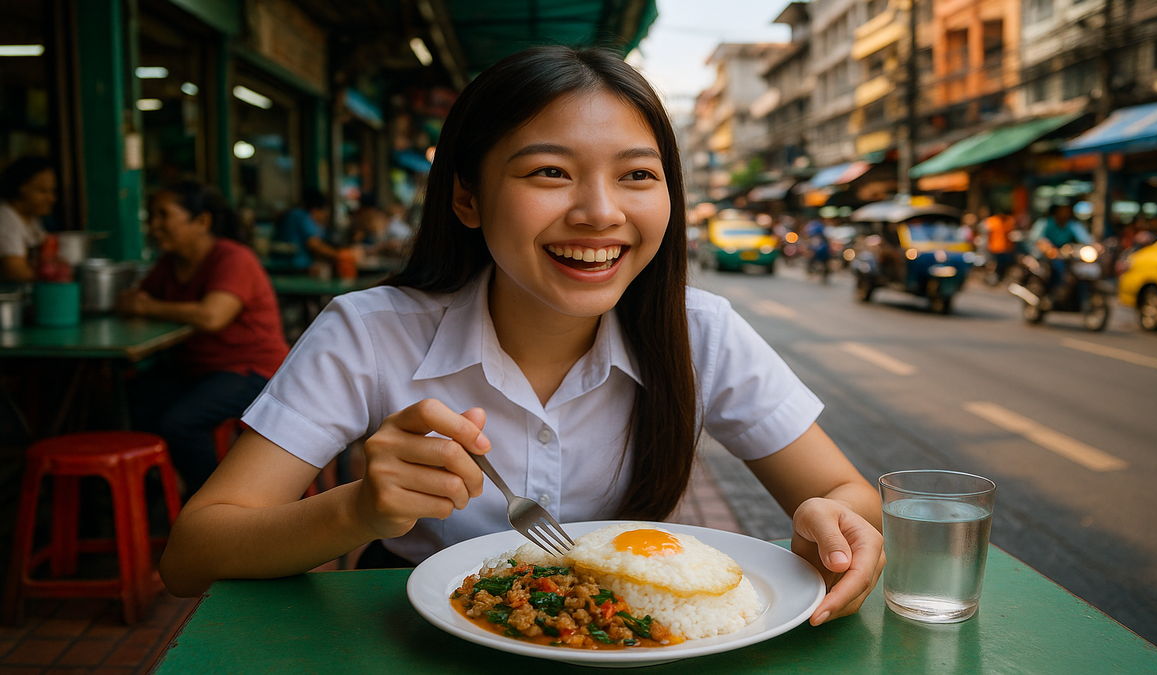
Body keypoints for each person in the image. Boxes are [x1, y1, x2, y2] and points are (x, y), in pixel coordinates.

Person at [159, 47, 884, 628]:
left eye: (636, 174)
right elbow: (192, 555)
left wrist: (834, 519)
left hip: (629, 639)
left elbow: (845, 493)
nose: (600, 212)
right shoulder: (369, 331)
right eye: (549, 172)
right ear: (468, 197)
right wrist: (357, 509)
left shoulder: (701, 331)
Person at [118, 181, 289, 495]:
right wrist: (142, 303)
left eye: (163, 216)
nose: (154, 226)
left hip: (254, 370)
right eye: (151, 216)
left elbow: (213, 316)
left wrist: (149, 307)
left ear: (202, 221)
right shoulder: (170, 264)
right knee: (130, 399)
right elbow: (137, 298)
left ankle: (213, 504)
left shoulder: (233, 258)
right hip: (200, 371)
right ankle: (158, 493)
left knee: (179, 423)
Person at [0, 156, 55, 282]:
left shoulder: (31, 218)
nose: (51, 199)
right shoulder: (5, 219)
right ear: (21, 188)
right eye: (42, 191)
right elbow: (16, 271)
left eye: (51, 191)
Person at [270, 188, 341, 273]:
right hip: (294, 269)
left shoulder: (292, 214)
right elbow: (314, 244)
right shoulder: (302, 217)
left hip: (280, 266)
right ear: (315, 210)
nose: (324, 218)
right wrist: (339, 255)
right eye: (324, 214)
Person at [1028, 203, 1091, 293]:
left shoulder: (1072, 225)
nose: (1065, 214)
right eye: (1062, 211)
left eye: (1067, 211)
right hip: (1045, 257)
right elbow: (1036, 239)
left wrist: (1095, 246)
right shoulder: (1045, 223)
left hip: (1067, 255)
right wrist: (1047, 247)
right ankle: (1052, 291)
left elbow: (1085, 239)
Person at [983, 208, 1017, 283]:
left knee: (1003, 264)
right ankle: (992, 278)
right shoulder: (992, 221)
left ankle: (1000, 278)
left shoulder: (1009, 220)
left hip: (1006, 248)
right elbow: (987, 234)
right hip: (994, 247)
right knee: (993, 263)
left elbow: (1011, 233)